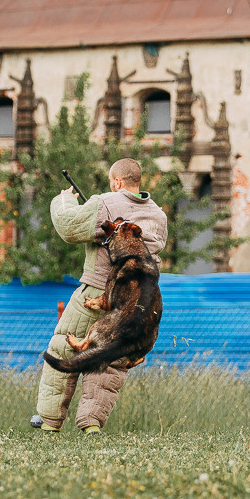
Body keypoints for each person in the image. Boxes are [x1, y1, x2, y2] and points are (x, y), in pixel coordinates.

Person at [31, 158, 168, 434]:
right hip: (140, 298)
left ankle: (49, 421)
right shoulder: (158, 215)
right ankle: (91, 423)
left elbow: (69, 226)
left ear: (117, 181)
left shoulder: (105, 202)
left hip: (100, 290)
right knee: (112, 360)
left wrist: (64, 200)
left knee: (63, 346)